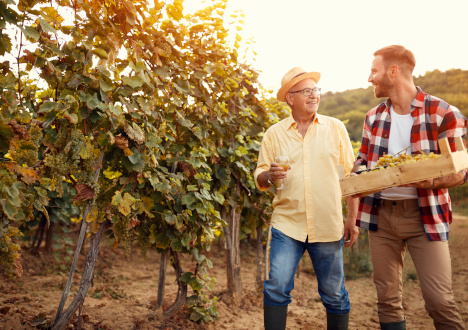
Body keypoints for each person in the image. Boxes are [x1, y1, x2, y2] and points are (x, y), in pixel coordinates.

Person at [353, 45, 467, 330]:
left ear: (393, 72)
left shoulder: (443, 113)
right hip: (381, 217)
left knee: (439, 300)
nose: (370, 78)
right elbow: (363, 161)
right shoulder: (373, 117)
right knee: (387, 300)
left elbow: (462, 170)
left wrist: (432, 181)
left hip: (424, 215)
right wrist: (353, 174)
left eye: (374, 71)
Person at [254, 67, 359, 330]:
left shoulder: (335, 128)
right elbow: (259, 176)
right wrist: (269, 175)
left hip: (327, 223)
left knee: (334, 295)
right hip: (287, 224)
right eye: (307, 91)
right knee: (276, 287)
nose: (315, 95)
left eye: (316, 90)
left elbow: (351, 177)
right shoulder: (274, 134)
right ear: (290, 98)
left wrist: (352, 218)